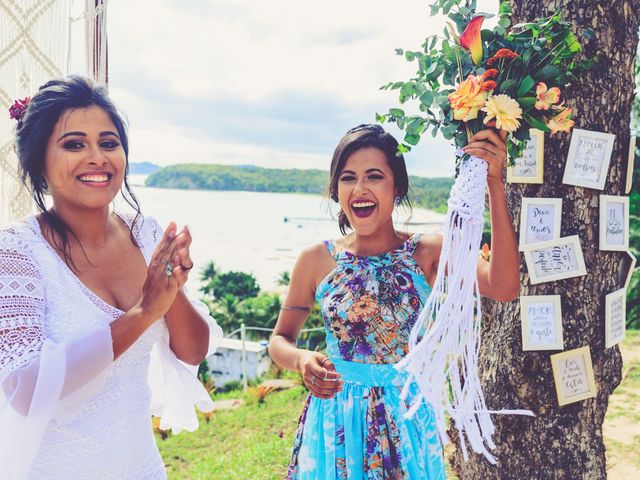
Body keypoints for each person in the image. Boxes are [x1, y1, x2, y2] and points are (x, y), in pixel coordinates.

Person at [0, 75, 223, 479]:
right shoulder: (16, 253)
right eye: (73, 144)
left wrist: (173, 291)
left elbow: (191, 352)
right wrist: (143, 312)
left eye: (108, 142)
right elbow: (25, 390)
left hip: (139, 466)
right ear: (38, 161)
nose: (97, 157)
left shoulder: (146, 233)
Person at [269, 123, 519, 479]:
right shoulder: (315, 260)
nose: (360, 188)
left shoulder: (426, 252)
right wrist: (301, 359)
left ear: (396, 187)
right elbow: (280, 340)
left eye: (374, 176)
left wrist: (494, 183)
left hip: (405, 422)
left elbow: (504, 285)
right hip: (334, 423)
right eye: (347, 177)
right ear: (335, 189)